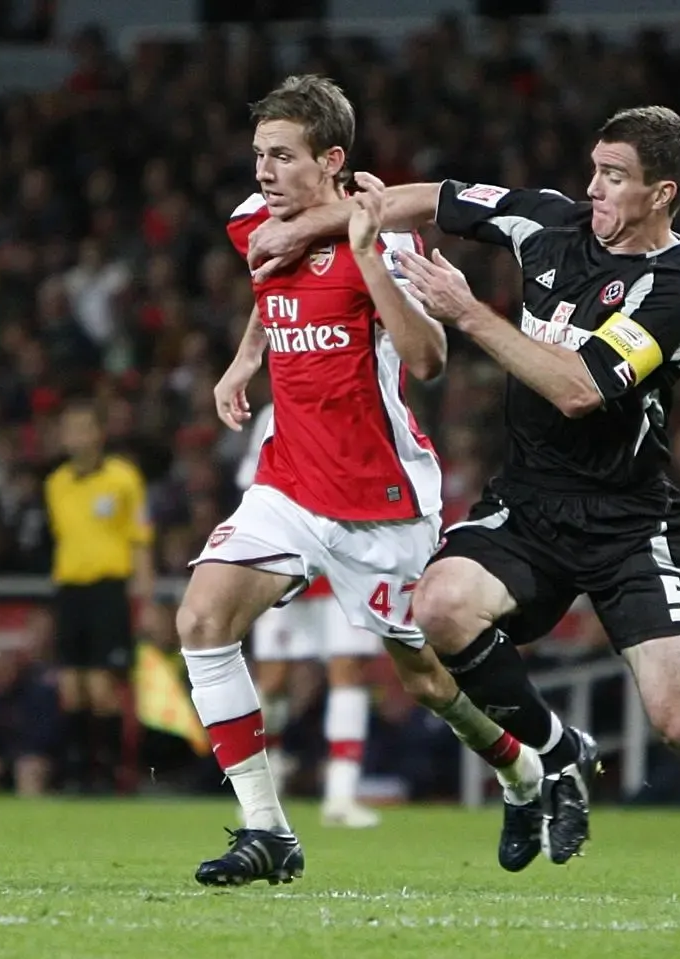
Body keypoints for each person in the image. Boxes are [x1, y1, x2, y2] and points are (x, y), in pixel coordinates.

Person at [248, 105, 680, 899]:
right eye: (594, 168)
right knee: (442, 605)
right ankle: (559, 750)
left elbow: (579, 389)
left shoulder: (675, 287)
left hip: (630, 520)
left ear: (663, 194)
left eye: (614, 177)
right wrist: (307, 225)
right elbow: (433, 198)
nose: (592, 187)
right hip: (529, 503)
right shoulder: (547, 222)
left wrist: (465, 311)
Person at [178, 74, 543, 888]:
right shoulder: (253, 222)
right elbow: (267, 289)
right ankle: (266, 827)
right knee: (202, 617)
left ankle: (523, 770)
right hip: (288, 482)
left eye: (282, 156)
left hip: (380, 499)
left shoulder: (389, 240)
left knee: (424, 678)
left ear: (333, 160)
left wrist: (371, 254)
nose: (264, 172)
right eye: (258, 155)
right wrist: (243, 360)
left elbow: (429, 360)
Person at [238, 403, 383, 829]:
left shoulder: (365, 404)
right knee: (275, 680)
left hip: (347, 564)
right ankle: (264, 788)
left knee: (348, 671)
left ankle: (340, 795)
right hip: (288, 558)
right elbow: (253, 483)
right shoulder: (276, 411)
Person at [45, 399, 161, 793]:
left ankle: (111, 775)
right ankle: (77, 774)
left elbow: (141, 541)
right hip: (69, 590)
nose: (75, 435)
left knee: (101, 686)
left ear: (99, 433)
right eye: (68, 428)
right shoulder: (55, 483)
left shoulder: (123, 478)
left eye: (82, 427)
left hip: (108, 590)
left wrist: (144, 601)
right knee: (70, 686)